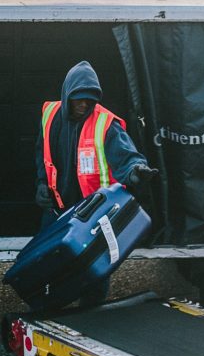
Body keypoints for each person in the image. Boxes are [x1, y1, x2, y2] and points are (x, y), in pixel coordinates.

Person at [34, 60, 156, 306]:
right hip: (57, 210)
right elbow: (41, 152)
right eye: (79, 98)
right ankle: (45, 315)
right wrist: (40, 184)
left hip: (92, 216)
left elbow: (126, 157)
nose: (84, 104)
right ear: (67, 95)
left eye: (90, 99)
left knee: (94, 274)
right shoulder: (50, 116)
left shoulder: (105, 124)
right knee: (45, 269)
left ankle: (90, 319)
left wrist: (135, 172)